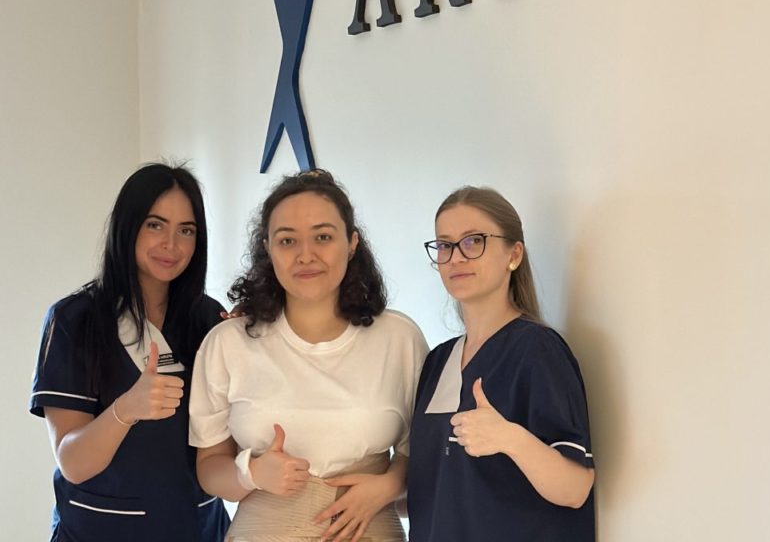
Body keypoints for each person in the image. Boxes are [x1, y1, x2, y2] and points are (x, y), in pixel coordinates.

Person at [190, 169, 427, 542]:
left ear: (352, 243)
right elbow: (208, 467)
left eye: (323, 237)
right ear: (268, 248)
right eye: (287, 241)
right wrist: (251, 473)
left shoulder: (399, 338)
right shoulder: (227, 343)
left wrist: (390, 485)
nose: (306, 255)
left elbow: (424, 454)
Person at [29, 163, 230, 542]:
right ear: (128, 226)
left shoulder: (209, 319)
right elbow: (73, 462)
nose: (171, 244)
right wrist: (125, 410)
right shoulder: (75, 320)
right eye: (155, 225)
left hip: (198, 528)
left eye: (186, 230)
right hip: (100, 530)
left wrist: (256, 342)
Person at [407, 186, 596, 542]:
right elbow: (438, 488)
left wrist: (510, 438)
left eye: (473, 241)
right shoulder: (437, 361)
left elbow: (575, 489)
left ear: (514, 254)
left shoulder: (536, 350)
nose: (456, 258)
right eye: (445, 245)